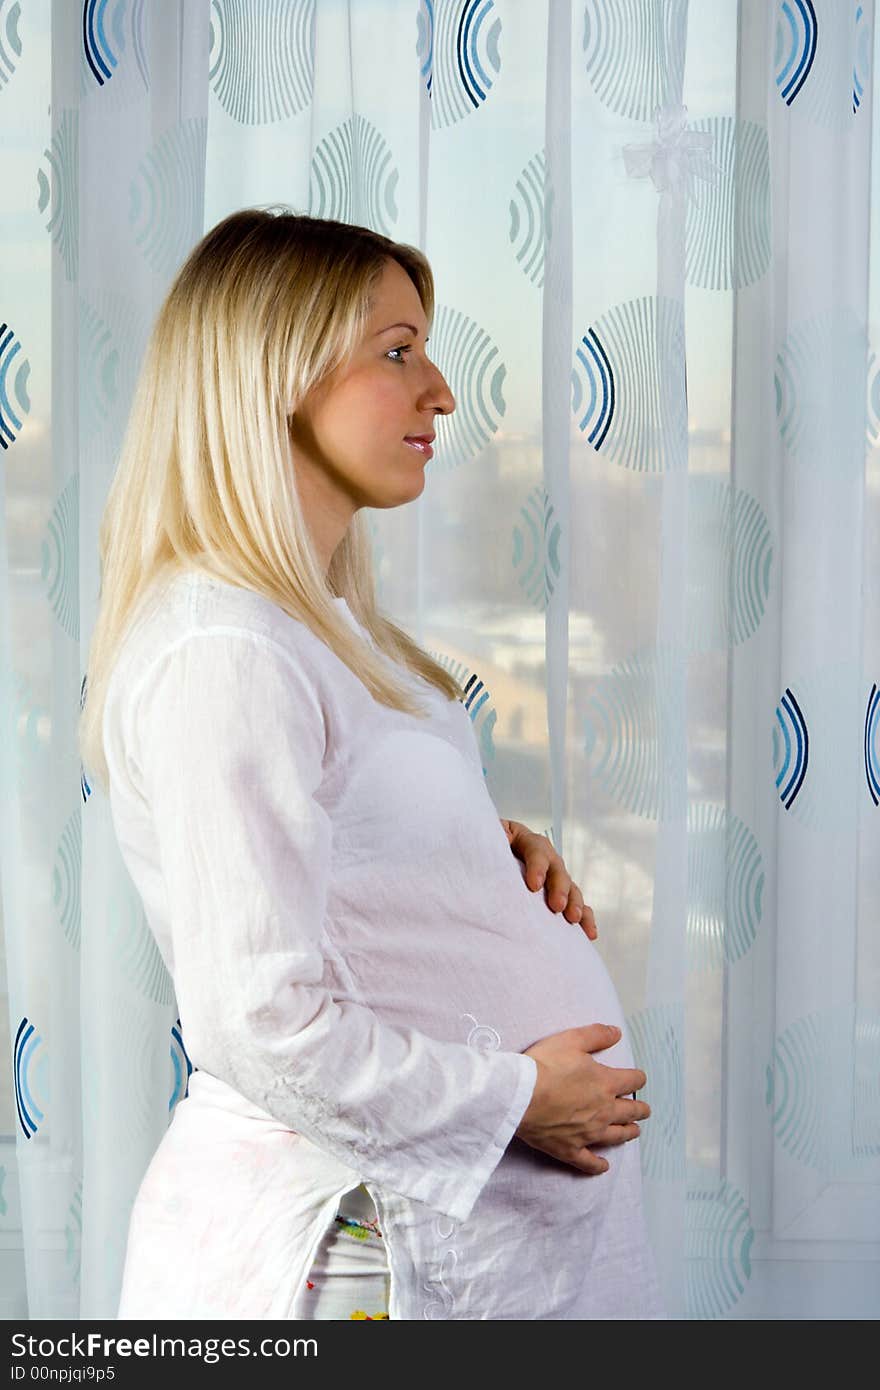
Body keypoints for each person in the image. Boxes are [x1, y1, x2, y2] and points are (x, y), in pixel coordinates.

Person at [79, 207, 664, 1321]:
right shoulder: (225, 649)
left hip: (428, 1242)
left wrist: (460, 857)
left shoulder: (315, 631)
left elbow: (329, 859)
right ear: (273, 376)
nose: (441, 391)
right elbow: (261, 1020)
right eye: (396, 353)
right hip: (353, 1246)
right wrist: (514, 1101)